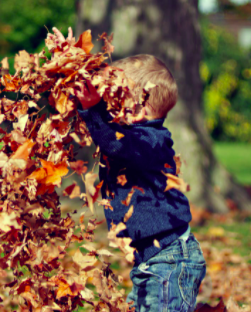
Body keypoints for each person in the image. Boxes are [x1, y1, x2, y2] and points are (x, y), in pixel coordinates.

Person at [49, 27, 207, 312]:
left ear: (139, 107)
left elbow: (115, 142)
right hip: (150, 262)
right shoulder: (133, 137)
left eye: (116, 99)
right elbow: (93, 105)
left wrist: (93, 110)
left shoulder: (152, 141)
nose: (108, 107)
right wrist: (69, 59)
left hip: (170, 262)